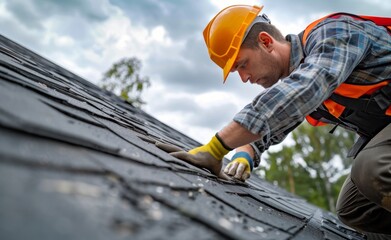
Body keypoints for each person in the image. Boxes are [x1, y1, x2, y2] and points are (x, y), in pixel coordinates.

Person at [156, 4, 391, 238]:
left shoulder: (336, 33)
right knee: (354, 208)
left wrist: (216, 148)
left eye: (242, 65)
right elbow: (285, 112)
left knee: (371, 169)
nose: (245, 78)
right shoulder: (307, 70)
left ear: (266, 42)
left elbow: (302, 90)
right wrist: (246, 151)